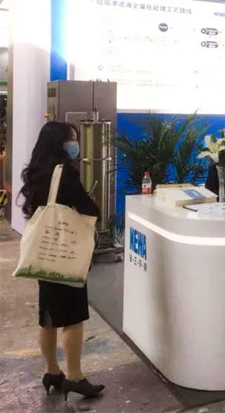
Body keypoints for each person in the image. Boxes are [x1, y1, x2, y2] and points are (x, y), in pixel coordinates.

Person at [18, 122, 105, 400]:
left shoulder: (35, 172)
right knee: (73, 318)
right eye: (72, 138)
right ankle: (75, 377)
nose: (75, 143)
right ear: (59, 142)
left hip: (45, 253)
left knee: (48, 316)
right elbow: (88, 207)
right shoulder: (64, 172)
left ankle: (52, 372)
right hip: (65, 253)